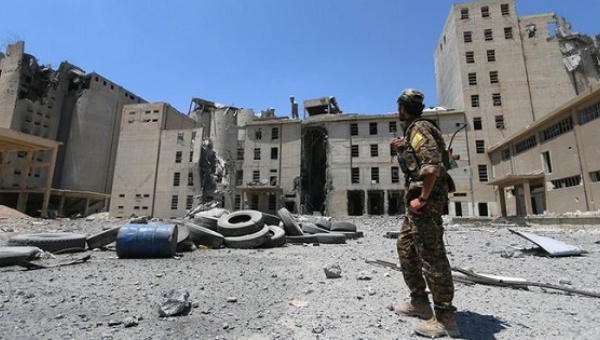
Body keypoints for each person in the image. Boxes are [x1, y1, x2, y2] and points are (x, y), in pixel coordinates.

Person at [390, 88, 460, 338]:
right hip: (417, 203)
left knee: (432, 256)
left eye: (398, 107)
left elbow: (431, 167)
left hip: (424, 202)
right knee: (406, 248)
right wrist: (401, 150)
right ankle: (420, 302)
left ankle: (445, 318)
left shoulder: (420, 129)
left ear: (402, 108)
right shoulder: (413, 132)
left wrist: (423, 198)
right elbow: (414, 165)